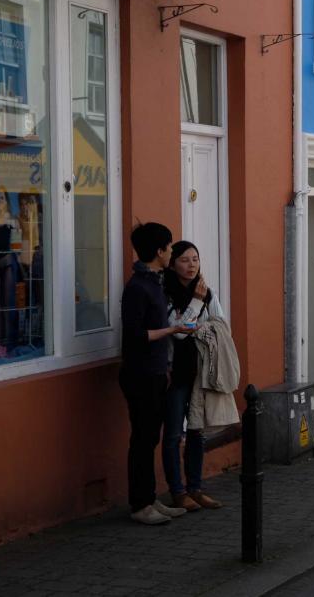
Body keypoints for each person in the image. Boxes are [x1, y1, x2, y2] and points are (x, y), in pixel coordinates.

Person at [120, 222, 191, 526]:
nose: (173, 252)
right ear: (159, 251)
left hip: (156, 371)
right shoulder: (138, 287)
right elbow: (135, 335)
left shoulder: (154, 283)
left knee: (150, 438)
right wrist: (172, 329)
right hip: (141, 374)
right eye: (170, 247)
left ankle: (150, 499)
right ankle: (140, 504)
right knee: (142, 439)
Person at [161, 241, 227, 512]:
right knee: (174, 435)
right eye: (185, 260)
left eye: (196, 259)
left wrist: (198, 322)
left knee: (197, 432)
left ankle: (195, 488)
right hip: (174, 373)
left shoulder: (207, 292)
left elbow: (221, 325)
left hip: (201, 372)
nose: (191, 265)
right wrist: (196, 304)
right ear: (173, 263)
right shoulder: (165, 293)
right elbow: (176, 331)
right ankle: (177, 492)